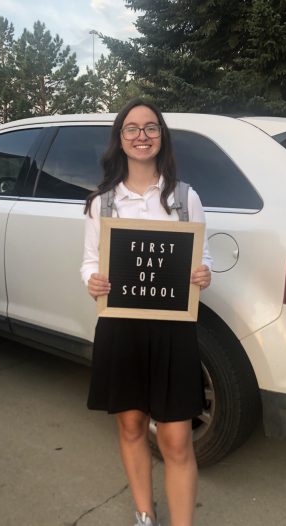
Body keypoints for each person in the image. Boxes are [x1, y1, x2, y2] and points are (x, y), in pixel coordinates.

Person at [80, 98, 212, 526]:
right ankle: (144, 516)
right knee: (132, 426)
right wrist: (92, 280)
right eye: (132, 128)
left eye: (151, 127)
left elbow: (202, 257)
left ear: (161, 137)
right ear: (119, 139)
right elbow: (89, 260)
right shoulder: (102, 203)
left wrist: (203, 274)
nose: (142, 136)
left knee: (176, 440)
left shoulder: (185, 198)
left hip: (173, 331)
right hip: (121, 329)